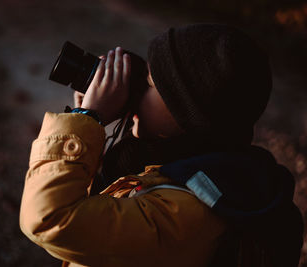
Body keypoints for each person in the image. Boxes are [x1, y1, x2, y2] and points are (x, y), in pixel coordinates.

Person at [20, 24, 303, 267]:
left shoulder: (185, 214)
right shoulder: (178, 166)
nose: (135, 88)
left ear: (191, 118)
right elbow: (99, 208)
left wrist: (85, 119)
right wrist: (90, 123)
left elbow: (49, 219)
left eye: (150, 83)